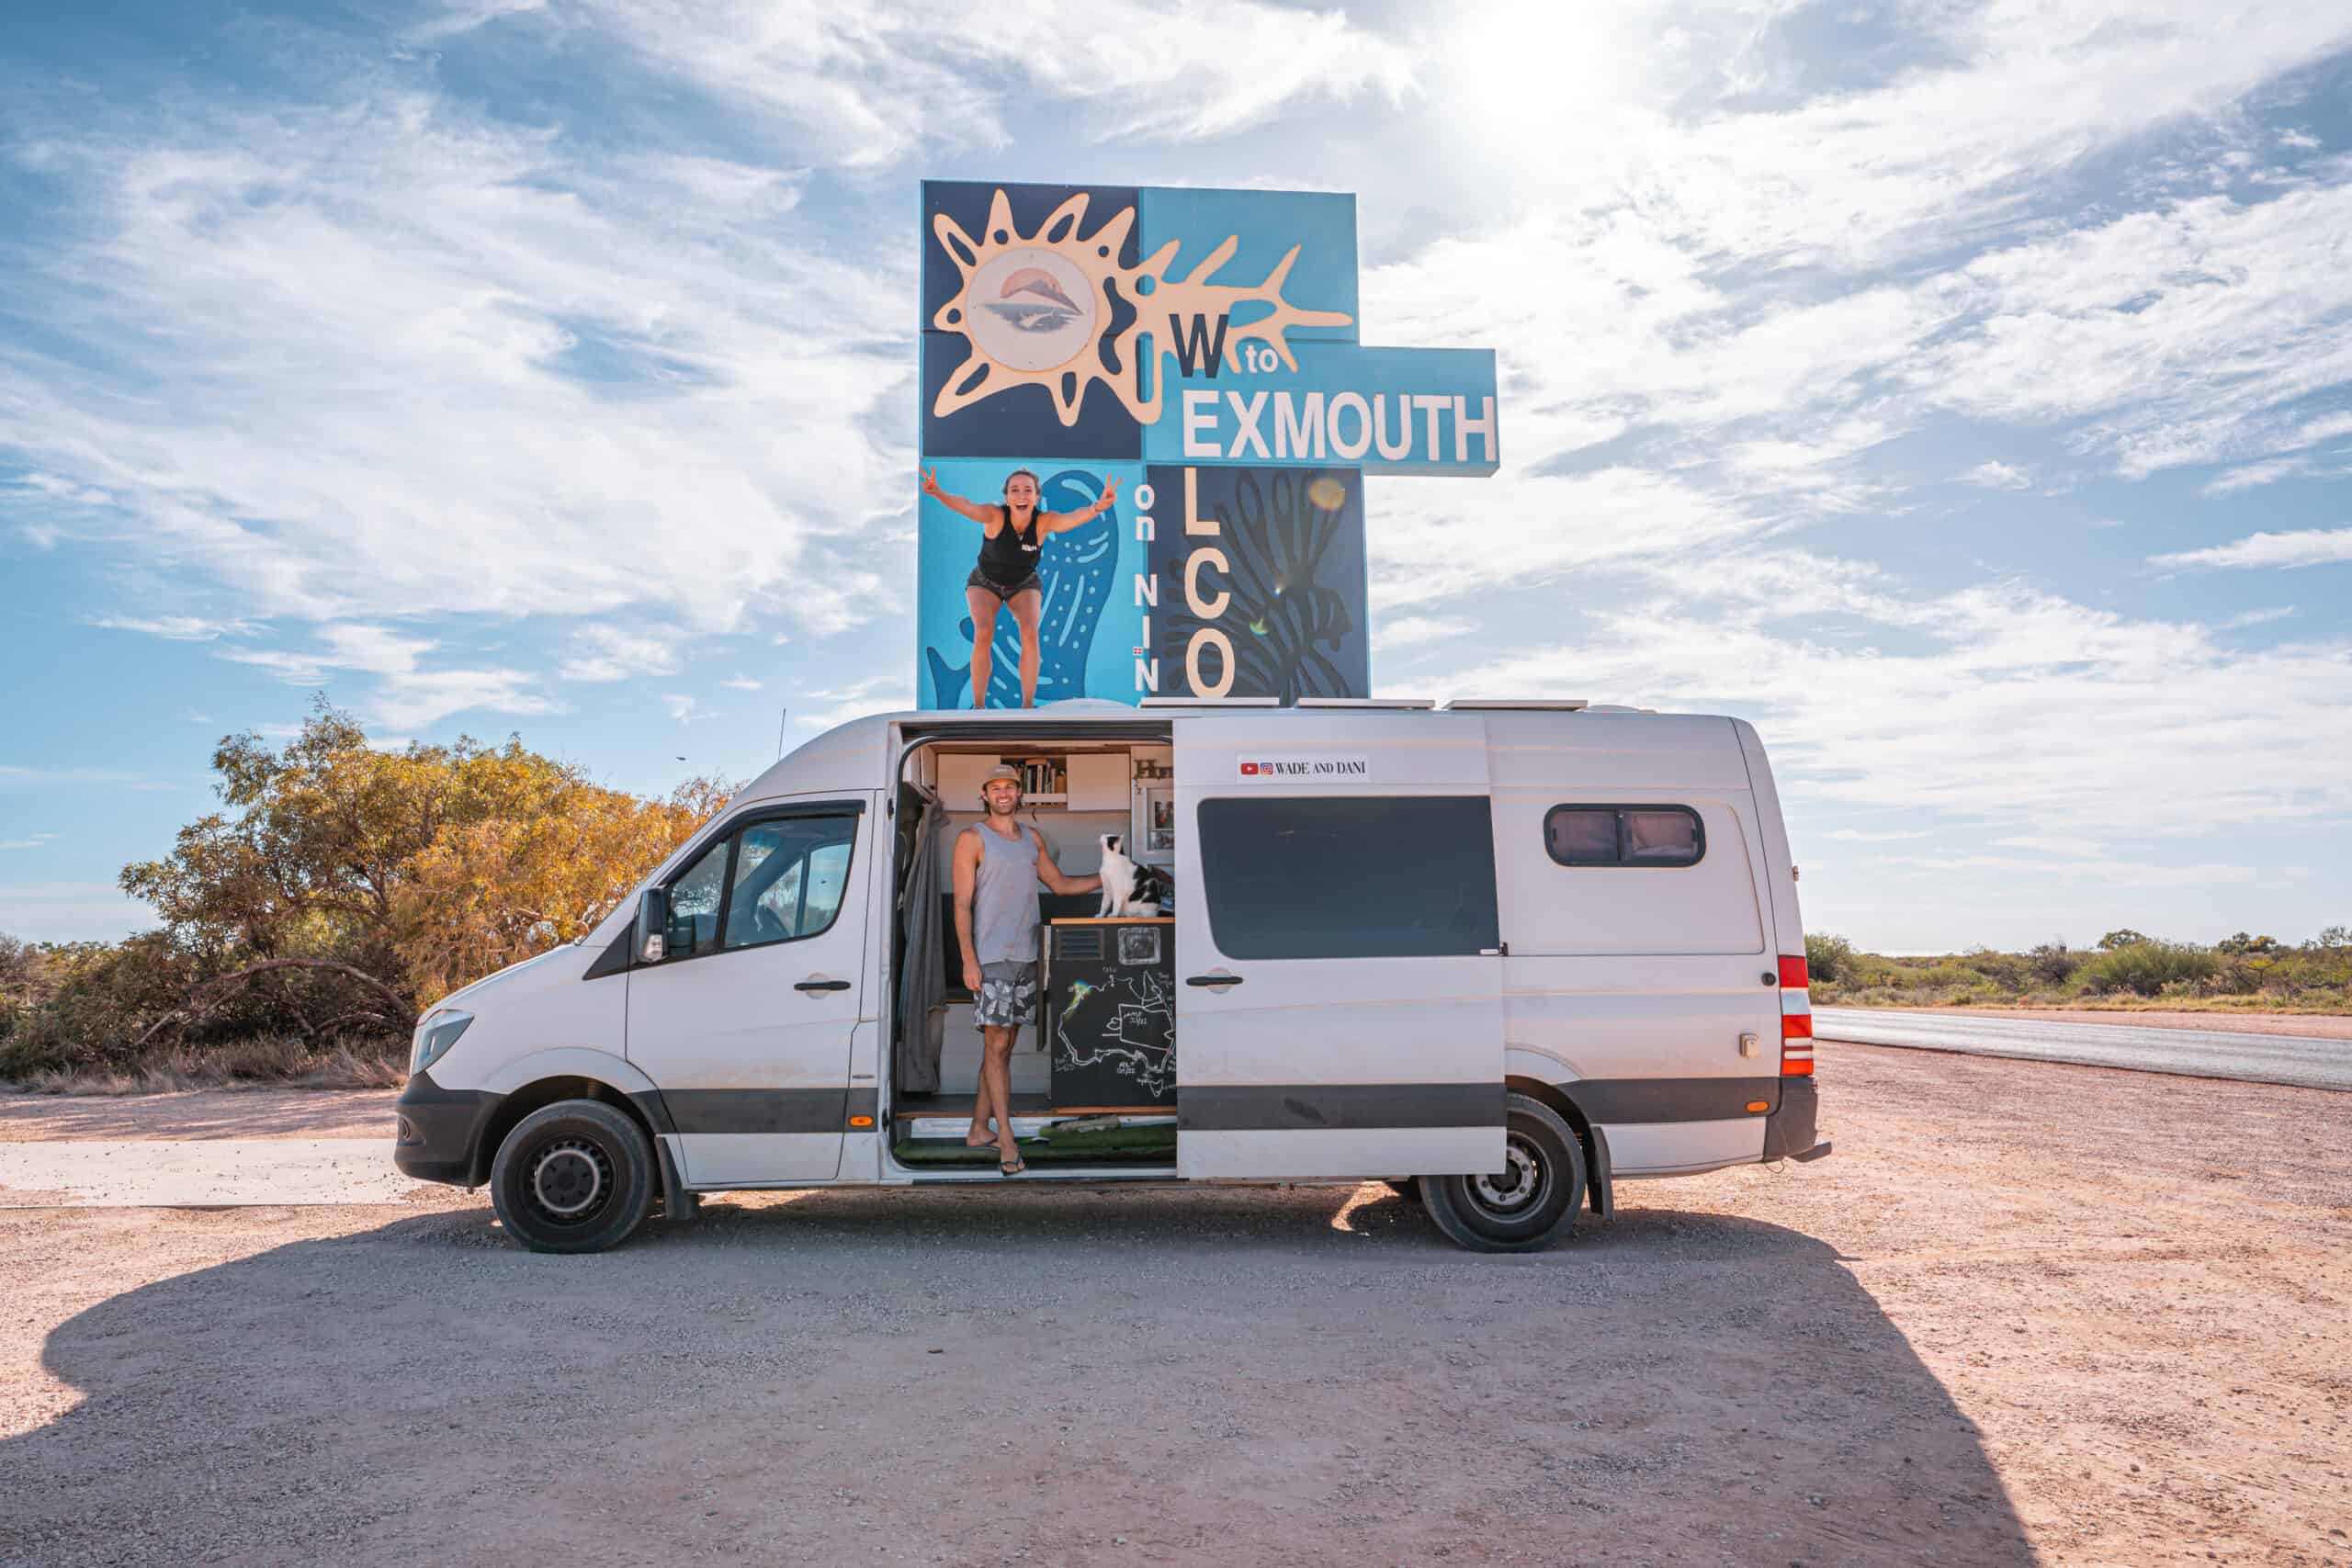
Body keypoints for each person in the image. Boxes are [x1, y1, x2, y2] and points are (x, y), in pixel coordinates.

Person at [952, 765, 1102, 1174]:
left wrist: (1108, 875)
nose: (1003, 793)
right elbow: (961, 903)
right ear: (983, 794)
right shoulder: (971, 839)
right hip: (992, 958)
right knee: (997, 1047)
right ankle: (1005, 1141)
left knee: (1001, 1048)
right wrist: (969, 959)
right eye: (995, 788)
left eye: (1010, 787)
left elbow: (1061, 886)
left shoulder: (1030, 840)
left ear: (1019, 794)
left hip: (1027, 957)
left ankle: (978, 1129)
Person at [921, 465, 1123, 709]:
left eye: (1027, 490)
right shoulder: (995, 516)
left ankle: (1027, 706)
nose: (1021, 495)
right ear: (1007, 497)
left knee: (1029, 632)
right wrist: (938, 493)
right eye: (1015, 490)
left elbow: (1070, 520)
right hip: (985, 583)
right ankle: (979, 706)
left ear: (1036, 497)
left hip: (1023, 583)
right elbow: (967, 506)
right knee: (984, 631)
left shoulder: (1043, 522)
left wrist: (1098, 507)